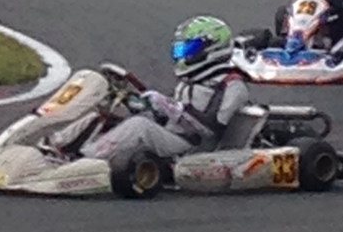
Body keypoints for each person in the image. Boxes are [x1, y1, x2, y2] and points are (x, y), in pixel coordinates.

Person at [43, 16, 250, 172]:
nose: (183, 56)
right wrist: (144, 106)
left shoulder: (232, 85)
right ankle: (56, 146)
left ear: (213, 48)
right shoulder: (192, 80)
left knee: (139, 126)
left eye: (189, 49)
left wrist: (171, 108)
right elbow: (170, 115)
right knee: (108, 114)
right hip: (172, 134)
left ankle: (85, 162)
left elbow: (211, 129)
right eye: (180, 51)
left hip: (192, 147)